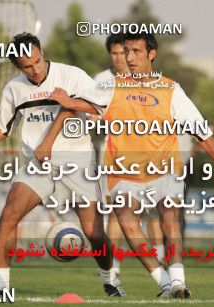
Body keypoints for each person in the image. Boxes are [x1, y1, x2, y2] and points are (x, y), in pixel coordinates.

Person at [53, 33, 214, 298]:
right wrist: (68, 101)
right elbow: (83, 102)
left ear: (151, 54)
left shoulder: (171, 90)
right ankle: (163, 282)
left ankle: (178, 282)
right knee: (126, 220)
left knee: (169, 216)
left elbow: (201, 131)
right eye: (126, 51)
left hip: (165, 168)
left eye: (137, 51)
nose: (130, 57)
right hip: (124, 171)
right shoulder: (112, 86)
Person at [0, 32, 125, 296]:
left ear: (42, 52)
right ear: (17, 66)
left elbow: (100, 107)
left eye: (38, 61)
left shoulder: (71, 75)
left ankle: (110, 279)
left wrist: (67, 105)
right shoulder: (14, 89)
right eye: (27, 65)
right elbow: (0, 129)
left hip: (78, 161)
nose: (35, 69)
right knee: (9, 213)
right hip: (40, 164)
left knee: (94, 233)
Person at [94, 33, 166, 276]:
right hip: (114, 153)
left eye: (124, 53)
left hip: (148, 155)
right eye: (115, 53)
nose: (120, 58)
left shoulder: (148, 82)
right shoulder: (103, 81)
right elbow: (92, 114)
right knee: (117, 211)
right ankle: (113, 265)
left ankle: (160, 258)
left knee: (155, 211)